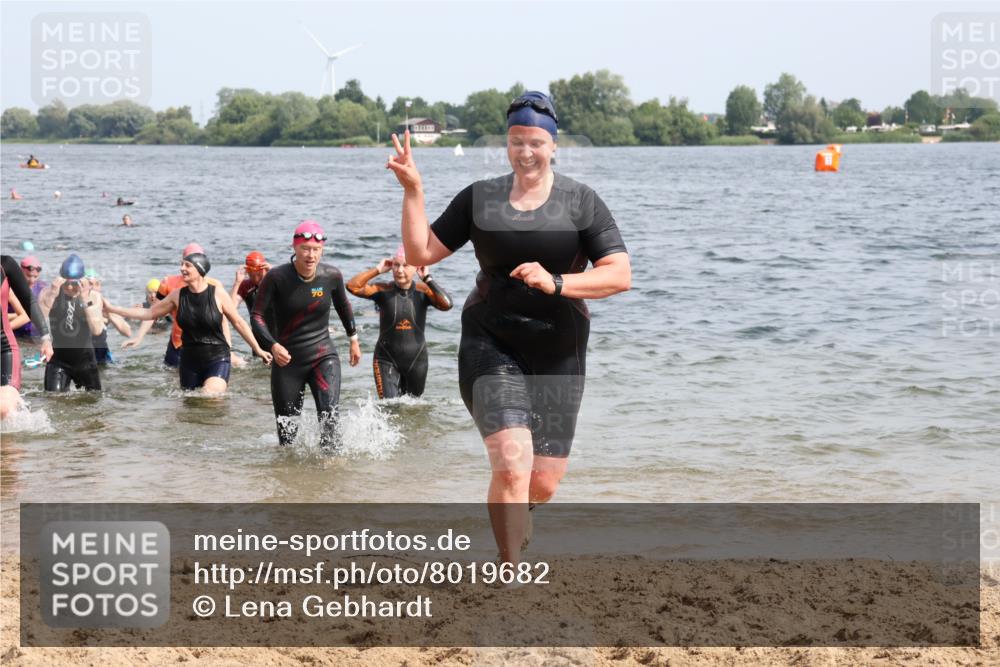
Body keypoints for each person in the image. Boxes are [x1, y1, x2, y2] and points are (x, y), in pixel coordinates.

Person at [386, 91, 631, 564]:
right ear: (507, 143)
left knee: (541, 482)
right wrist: (413, 191)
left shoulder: (581, 202)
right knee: (513, 464)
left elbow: (619, 274)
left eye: (536, 142)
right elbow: (421, 255)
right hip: (490, 342)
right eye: (517, 141)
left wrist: (556, 281)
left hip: (559, 351)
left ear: (554, 145)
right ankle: (509, 569)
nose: (525, 152)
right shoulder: (481, 198)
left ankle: (522, 512)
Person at [251, 221, 362, 447]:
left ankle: (330, 471)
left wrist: (353, 339)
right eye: (305, 249)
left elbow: (343, 306)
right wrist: (272, 346)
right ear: (294, 247)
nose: (311, 255)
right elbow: (257, 316)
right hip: (288, 362)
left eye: (316, 250)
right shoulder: (276, 277)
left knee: (329, 418)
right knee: (287, 437)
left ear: (322, 251)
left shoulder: (331, 276)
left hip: (323, 356)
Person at [105, 252, 271, 392]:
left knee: (209, 396)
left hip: (217, 358)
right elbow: (149, 313)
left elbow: (238, 322)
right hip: (189, 361)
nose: (182, 269)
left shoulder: (217, 294)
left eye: (187, 265)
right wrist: (113, 309)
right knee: (191, 405)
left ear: (200, 269)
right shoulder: (177, 296)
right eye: (182, 265)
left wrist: (258, 349)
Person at [347, 245, 452, 398]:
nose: (399, 270)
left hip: (417, 361)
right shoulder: (383, 290)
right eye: (396, 265)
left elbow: (447, 304)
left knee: (413, 410)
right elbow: (352, 286)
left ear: (416, 268)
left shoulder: (423, 291)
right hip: (385, 359)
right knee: (389, 409)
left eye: (405, 265)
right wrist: (377, 269)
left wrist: (428, 279)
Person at [123, 243, 231, 367]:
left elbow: (223, 319)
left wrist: (227, 343)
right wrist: (139, 336)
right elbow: (153, 312)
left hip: (209, 344)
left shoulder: (214, 285)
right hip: (178, 343)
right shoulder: (168, 283)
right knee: (175, 382)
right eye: (186, 261)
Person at [37, 255, 105, 392]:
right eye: (66, 283)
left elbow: (97, 330)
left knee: (94, 404)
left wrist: (85, 298)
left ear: (81, 281)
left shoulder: (93, 296)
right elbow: (38, 320)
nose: (69, 287)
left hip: (86, 361)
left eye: (74, 283)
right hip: (58, 360)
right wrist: (52, 294)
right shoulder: (48, 293)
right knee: (53, 400)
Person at [1, 255, 54, 408]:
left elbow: (28, 301)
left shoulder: (5, 265)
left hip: (4, 347)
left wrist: (45, 337)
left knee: (4, 407)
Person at [84, 271, 131, 365]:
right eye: (89, 284)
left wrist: (109, 314)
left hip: (102, 356)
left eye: (96, 284)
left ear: (100, 287)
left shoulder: (106, 306)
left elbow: (127, 332)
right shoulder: (77, 304)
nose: (93, 288)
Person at [12, 256, 47, 339]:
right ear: (20, 271)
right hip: (14, 334)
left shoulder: (42, 288)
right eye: (28, 276)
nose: (32, 280)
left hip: (35, 336)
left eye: (35, 277)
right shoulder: (11, 287)